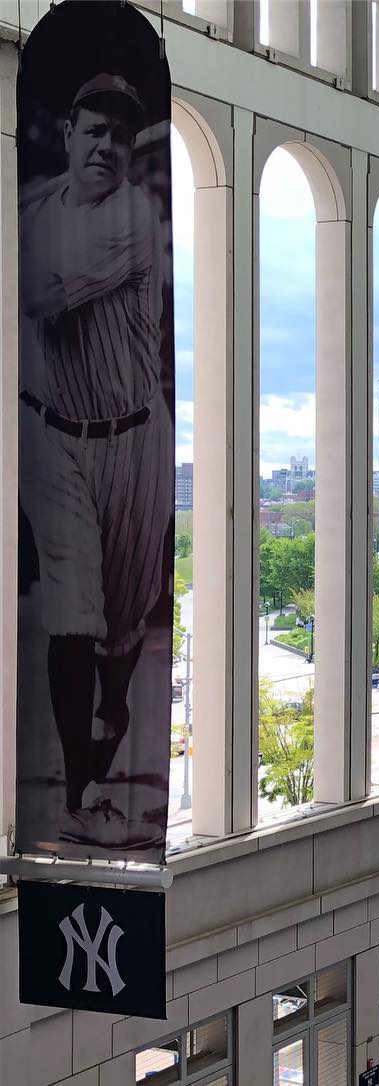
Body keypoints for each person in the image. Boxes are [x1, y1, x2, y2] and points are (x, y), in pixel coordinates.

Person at [19, 73, 171, 851]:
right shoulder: (35, 207)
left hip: (135, 440)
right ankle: (77, 795)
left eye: (122, 133)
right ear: (70, 134)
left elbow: (39, 295)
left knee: (122, 628)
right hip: (50, 435)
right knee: (72, 611)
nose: (107, 144)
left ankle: (112, 712)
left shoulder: (135, 216)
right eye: (94, 129)